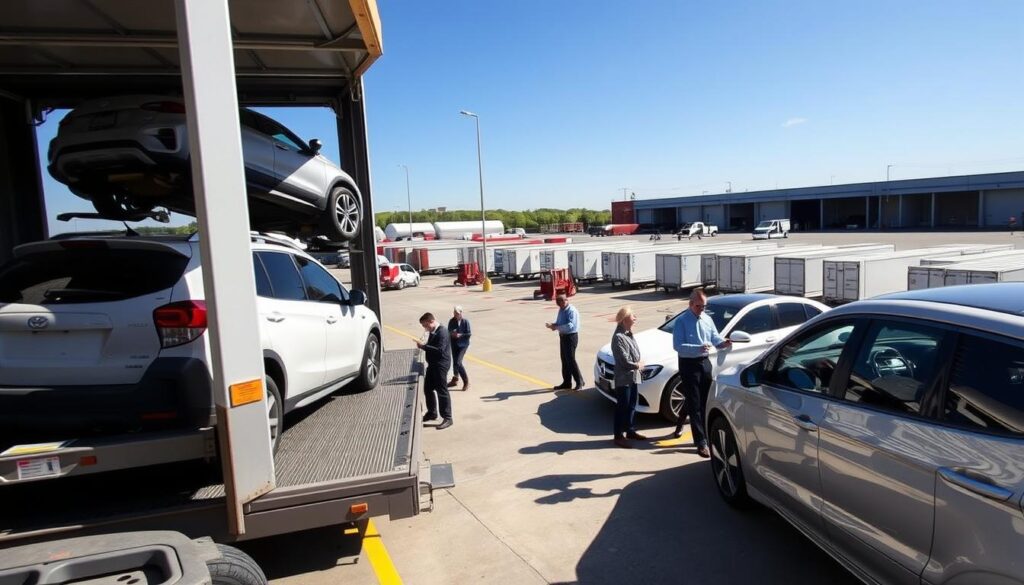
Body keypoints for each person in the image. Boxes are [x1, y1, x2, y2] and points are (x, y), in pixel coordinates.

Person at [671, 288, 731, 457]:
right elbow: (677, 346)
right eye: (699, 306)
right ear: (691, 304)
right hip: (688, 364)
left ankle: (681, 421)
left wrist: (724, 343)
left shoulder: (707, 319)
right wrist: (696, 348)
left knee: (702, 401)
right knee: (695, 404)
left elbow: (715, 338)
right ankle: (701, 442)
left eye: (704, 306)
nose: (702, 309)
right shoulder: (682, 321)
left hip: (705, 363)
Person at [611, 305, 646, 448]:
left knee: (632, 405)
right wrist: (637, 365)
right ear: (625, 319)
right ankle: (618, 435)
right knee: (622, 407)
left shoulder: (628, 333)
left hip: (633, 377)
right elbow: (624, 361)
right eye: (633, 316)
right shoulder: (619, 337)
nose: (635, 318)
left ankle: (630, 430)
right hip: (624, 379)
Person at [416, 312, 453, 430]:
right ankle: (432, 412)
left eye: (425, 325)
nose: (425, 328)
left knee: (442, 391)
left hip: (440, 365)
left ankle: (447, 417)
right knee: (428, 388)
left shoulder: (442, 331)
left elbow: (440, 350)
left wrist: (423, 346)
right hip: (433, 365)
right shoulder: (433, 331)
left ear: (431, 321)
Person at [546, 294, 584, 391]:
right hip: (563, 337)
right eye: (558, 305)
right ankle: (567, 382)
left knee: (571, 360)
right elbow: (560, 322)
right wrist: (554, 325)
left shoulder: (571, 310)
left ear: (564, 301)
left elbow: (571, 326)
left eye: (560, 304)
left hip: (570, 337)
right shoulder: (562, 310)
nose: (560, 306)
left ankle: (579, 381)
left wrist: (557, 327)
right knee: (564, 360)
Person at [447, 305, 472, 391]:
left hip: (463, 345)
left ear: (461, 313)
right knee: (455, 362)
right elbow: (449, 330)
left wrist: (460, 335)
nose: (455, 314)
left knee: (458, 362)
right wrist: (452, 333)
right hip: (454, 344)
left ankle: (466, 381)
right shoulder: (451, 321)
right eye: (454, 312)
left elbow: (469, 334)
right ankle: (455, 378)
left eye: (457, 313)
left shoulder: (465, 322)